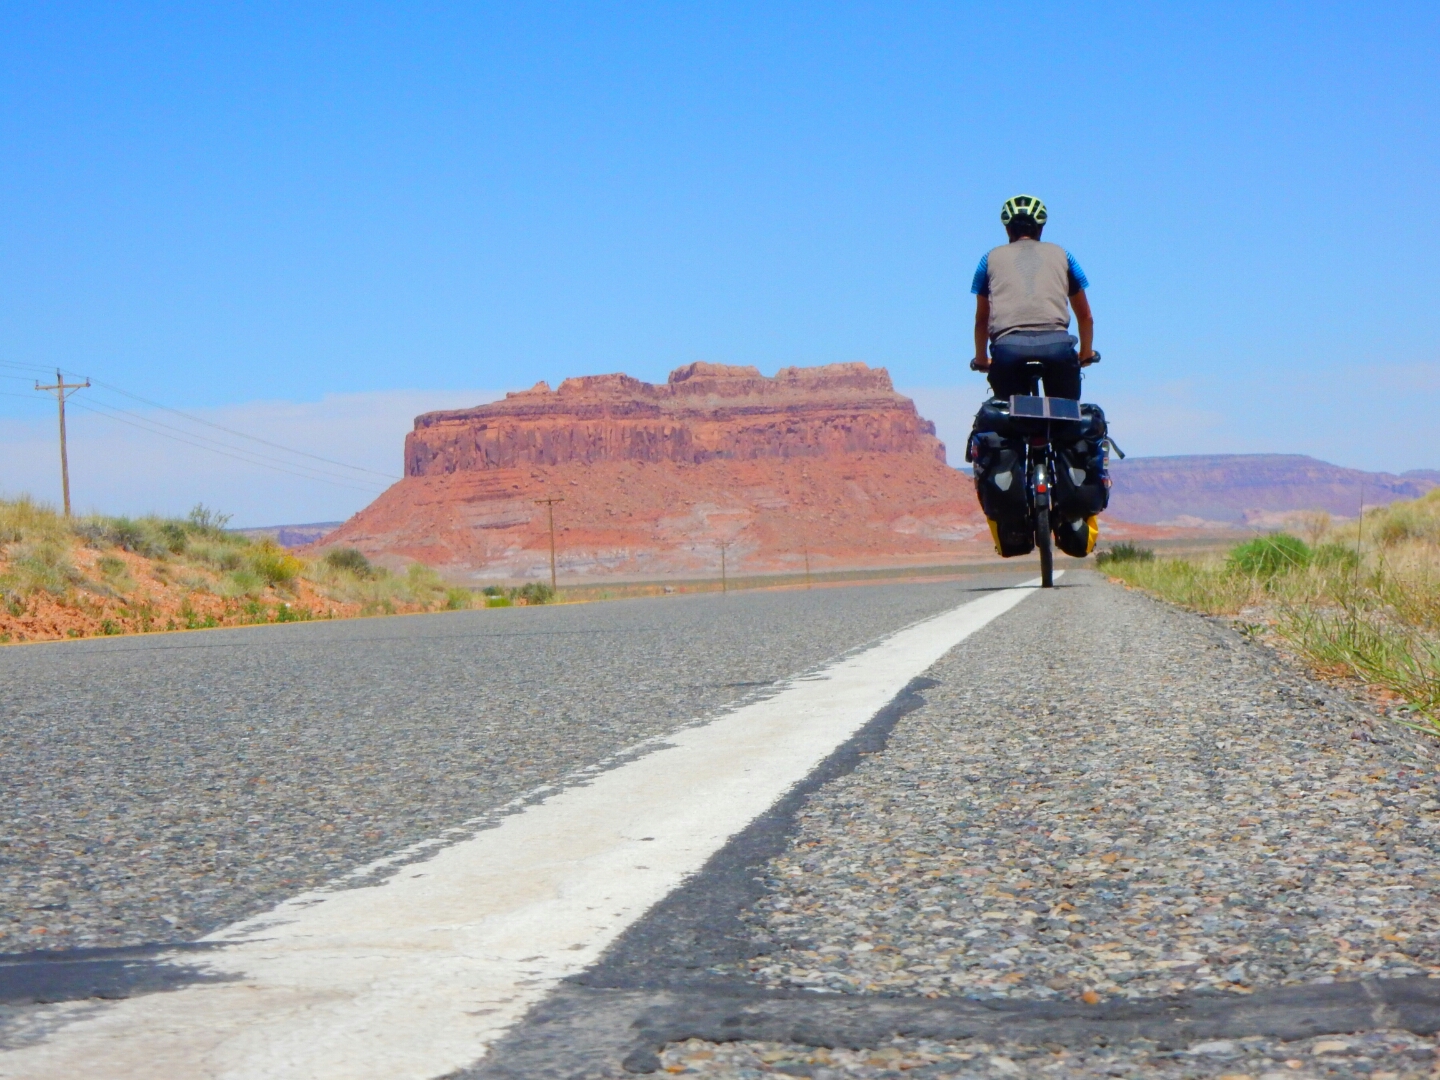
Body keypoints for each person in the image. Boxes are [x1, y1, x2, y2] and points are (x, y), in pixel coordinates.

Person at [970, 195, 1095, 400]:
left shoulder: (988, 259)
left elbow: (982, 320)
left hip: (1008, 350)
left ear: (1007, 228)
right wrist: (1086, 353)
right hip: (1058, 349)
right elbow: (1085, 316)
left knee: (1008, 413)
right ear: (1041, 227)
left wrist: (982, 359)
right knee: (1066, 414)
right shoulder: (1064, 256)